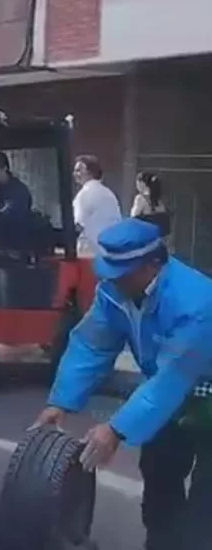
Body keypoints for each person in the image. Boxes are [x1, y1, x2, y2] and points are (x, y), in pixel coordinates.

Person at [32, 218, 212, 549]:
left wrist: (115, 430)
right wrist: (61, 402)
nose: (113, 279)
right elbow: (91, 344)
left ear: (154, 263)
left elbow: (172, 379)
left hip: (198, 390)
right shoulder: (114, 292)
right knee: (159, 487)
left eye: (122, 271)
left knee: (205, 513)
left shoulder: (196, 302)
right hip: (172, 396)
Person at [72, 154, 123, 257]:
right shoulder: (109, 193)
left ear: (90, 172)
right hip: (110, 251)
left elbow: (78, 225)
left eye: (78, 170)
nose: (75, 174)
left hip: (90, 253)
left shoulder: (84, 195)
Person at [132, 170, 170, 237]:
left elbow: (133, 218)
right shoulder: (160, 200)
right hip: (158, 239)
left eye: (137, 183)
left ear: (142, 183)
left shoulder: (140, 198)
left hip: (145, 237)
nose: (136, 186)